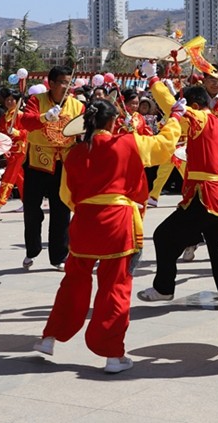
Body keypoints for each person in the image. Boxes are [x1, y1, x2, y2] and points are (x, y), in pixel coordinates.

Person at [34, 99, 182, 373]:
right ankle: (112, 354)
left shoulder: (74, 153)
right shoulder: (128, 142)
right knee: (115, 287)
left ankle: (49, 337)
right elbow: (163, 147)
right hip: (117, 221)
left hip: (84, 221)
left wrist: (89, 207)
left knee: (73, 282)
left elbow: (66, 195)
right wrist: (175, 119)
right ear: (113, 121)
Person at [138, 83, 218, 311]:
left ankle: (164, 287)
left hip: (204, 195)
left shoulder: (201, 118)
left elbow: (172, 107)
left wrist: (154, 81)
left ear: (196, 106)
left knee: (163, 236)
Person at [18, 66, 85, 271]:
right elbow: (26, 122)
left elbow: (84, 132)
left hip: (64, 164)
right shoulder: (37, 101)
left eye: (69, 83)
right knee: (31, 209)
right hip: (37, 162)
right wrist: (44, 117)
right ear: (52, 83)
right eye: (63, 82)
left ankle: (59, 256)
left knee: (61, 212)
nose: (66, 87)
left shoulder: (77, 106)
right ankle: (32, 249)